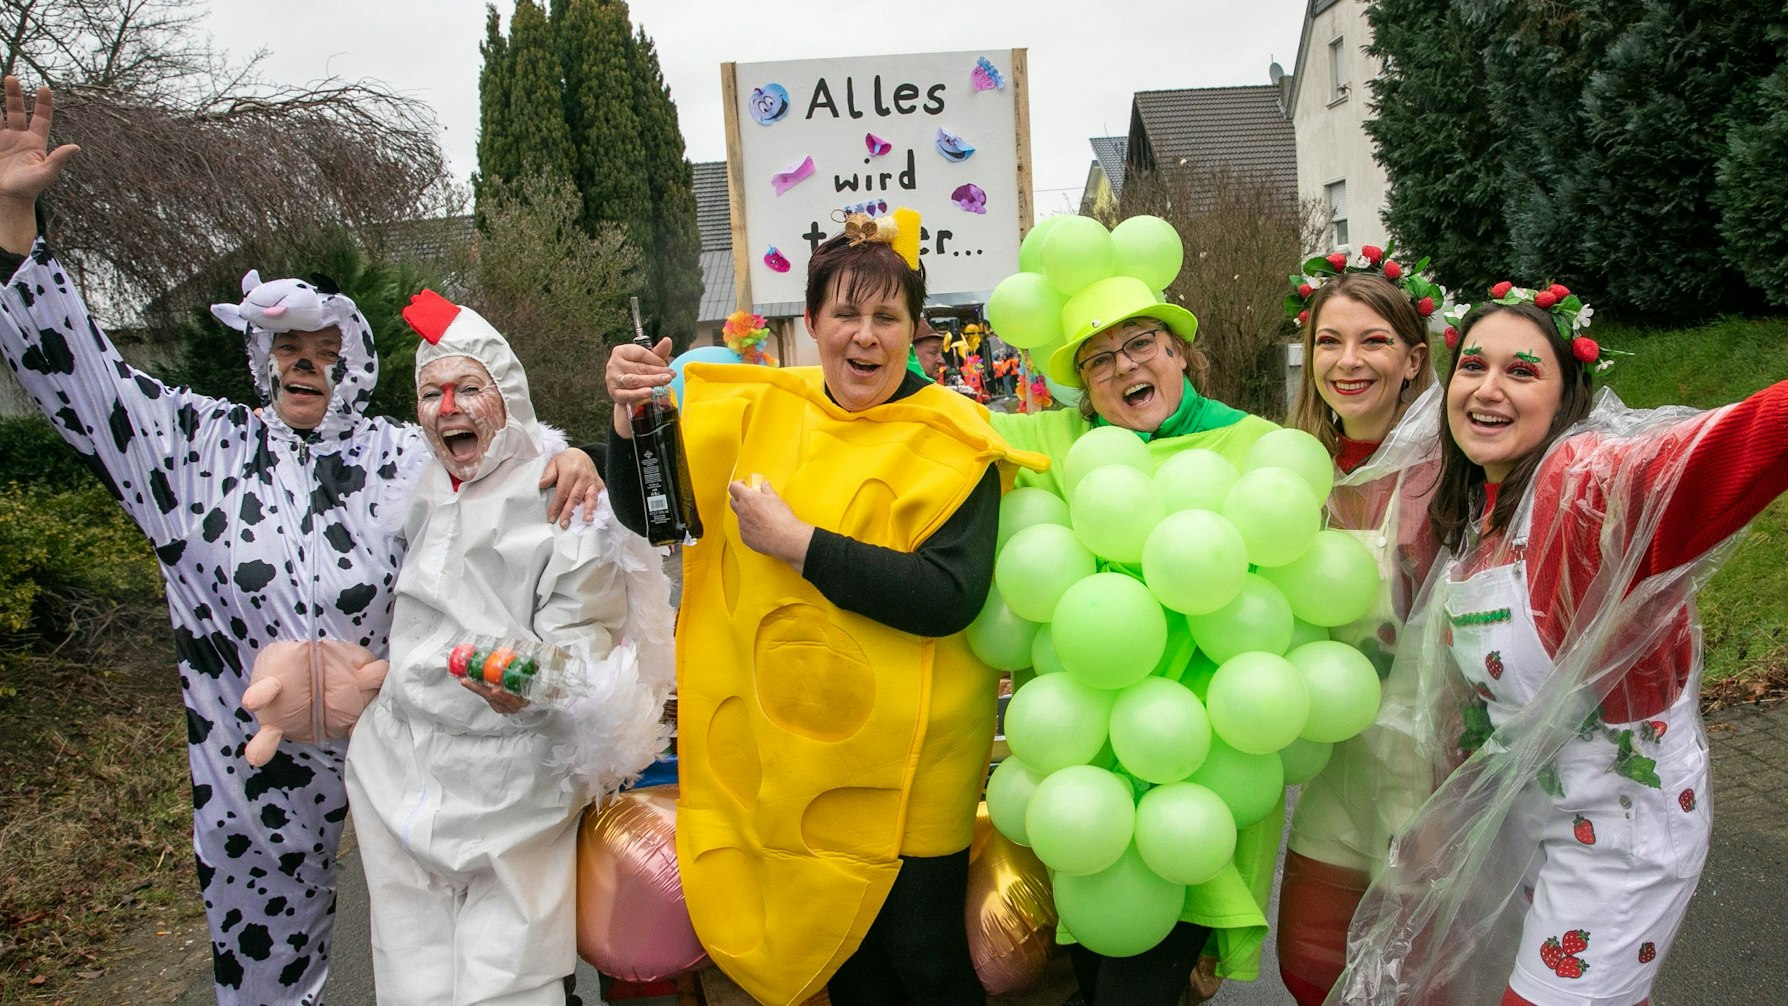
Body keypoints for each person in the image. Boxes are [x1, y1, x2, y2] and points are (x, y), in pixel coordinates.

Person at [0, 77, 600, 1004]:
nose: (301, 365)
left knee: (446, 957)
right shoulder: (195, 449)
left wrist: (575, 459)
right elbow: (82, 381)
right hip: (257, 761)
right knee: (269, 976)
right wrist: (14, 226)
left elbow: (498, 433)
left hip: (411, 741)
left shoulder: (407, 455)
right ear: (260, 359)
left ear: (355, 365)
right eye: (284, 350)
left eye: (322, 349)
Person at [604, 209, 1047, 1006]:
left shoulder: (956, 438)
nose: (865, 336)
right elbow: (655, 515)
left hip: (913, 775)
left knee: (925, 961)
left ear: (915, 330)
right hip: (796, 763)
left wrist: (799, 544)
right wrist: (633, 424)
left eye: (887, 317)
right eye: (845, 313)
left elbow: (948, 594)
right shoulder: (758, 413)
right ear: (810, 323)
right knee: (850, 972)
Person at [1334, 283, 1788, 1005]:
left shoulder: (1587, 490)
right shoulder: (1478, 521)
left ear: (1565, 398)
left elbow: (1725, 451)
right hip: (1530, 823)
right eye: (1473, 366)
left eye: (1522, 372)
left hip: (1622, 834)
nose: (1488, 389)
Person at [344, 291, 672, 1006]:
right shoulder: (418, 482)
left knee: (508, 986)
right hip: (397, 778)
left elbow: (586, 661)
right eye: (431, 392)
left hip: (508, 795)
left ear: (507, 396)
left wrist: (529, 686)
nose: (448, 407)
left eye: (468, 388)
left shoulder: (564, 500)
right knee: (409, 979)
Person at [986, 274, 1279, 1006]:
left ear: (1181, 352)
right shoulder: (1062, 445)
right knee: (1095, 972)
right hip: (1084, 765)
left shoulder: (1254, 445)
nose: (1124, 367)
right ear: (1085, 388)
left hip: (1196, 760)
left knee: (1134, 987)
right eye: (1099, 359)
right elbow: (930, 418)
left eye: (1141, 343)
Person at [1275, 255, 1445, 1005]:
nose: (1347, 362)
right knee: (1309, 972)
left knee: (1422, 985)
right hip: (1338, 775)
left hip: (1434, 779)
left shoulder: (1459, 467)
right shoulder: (1290, 472)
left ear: (1413, 359)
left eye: (1373, 341)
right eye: (1328, 341)